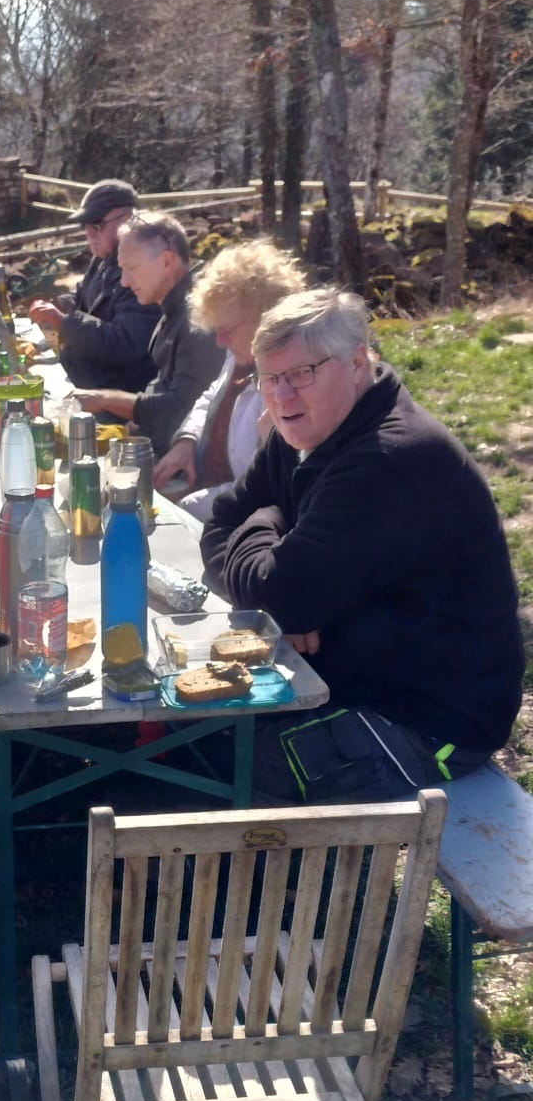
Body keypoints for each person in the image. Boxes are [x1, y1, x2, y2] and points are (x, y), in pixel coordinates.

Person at [200, 287, 525, 806]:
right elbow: (220, 525)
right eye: (270, 378)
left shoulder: (391, 457)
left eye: (301, 373)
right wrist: (279, 579)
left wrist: (267, 531)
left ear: (356, 363)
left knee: (213, 775)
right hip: (342, 681)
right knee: (185, 735)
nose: (282, 397)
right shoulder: (302, 432)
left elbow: (277, 593)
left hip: (423, 724)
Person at [152, 239, 305, 519]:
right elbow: (213, 394)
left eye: (227, 330)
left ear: (264, 317)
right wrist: (187, 441)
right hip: (205, 486)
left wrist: (186, 507)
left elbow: (259, 487)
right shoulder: (243, 354)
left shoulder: (288, 385)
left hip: (239, 516)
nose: (220, 341)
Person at [72, 211, 225, 454]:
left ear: (166, 261)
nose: (124, 281)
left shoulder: (198, 317)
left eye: (131, 268)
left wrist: (105, 400)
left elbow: (182, 407)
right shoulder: (171, 305)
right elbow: (162, 383)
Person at [28, 178, 160, 394]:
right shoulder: (103, 259)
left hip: (116, 394)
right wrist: (58, 304)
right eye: (86, 225)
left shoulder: (142, 269)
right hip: (86, 377)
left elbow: (125, 344)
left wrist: (63, 322)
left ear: (128, 219)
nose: (89, 233)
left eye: (97, 225)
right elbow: (84, 298)